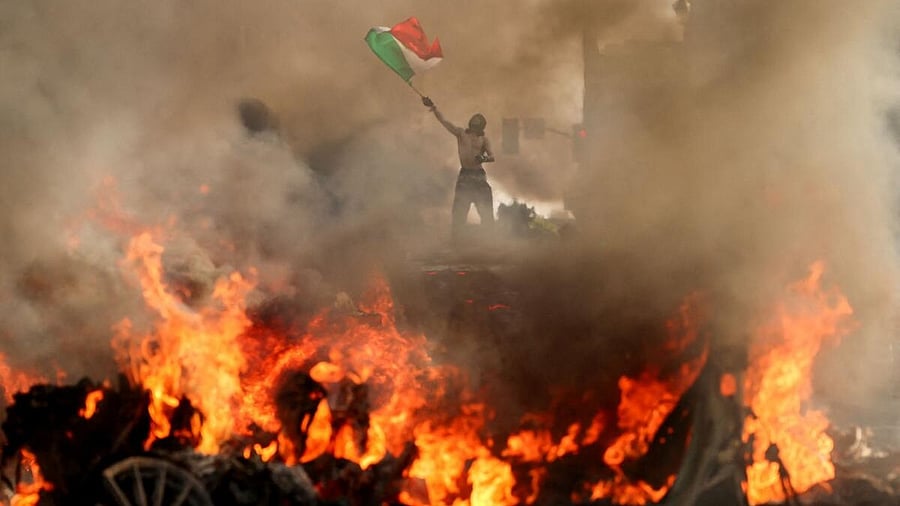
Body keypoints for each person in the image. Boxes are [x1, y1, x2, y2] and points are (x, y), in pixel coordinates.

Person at [423, 96, 495, 241]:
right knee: (459, 211)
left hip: (479, 176)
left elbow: (492, 156)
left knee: (485, 210)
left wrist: (483, 158)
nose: (475, 126)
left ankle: (490, 241)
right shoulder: (462, 134)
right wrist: (434, 108)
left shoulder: (483, 140)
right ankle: (457, 242)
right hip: (465, 175)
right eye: (474, 123)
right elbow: (445, 122)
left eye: (477, 124)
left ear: (482, 126)